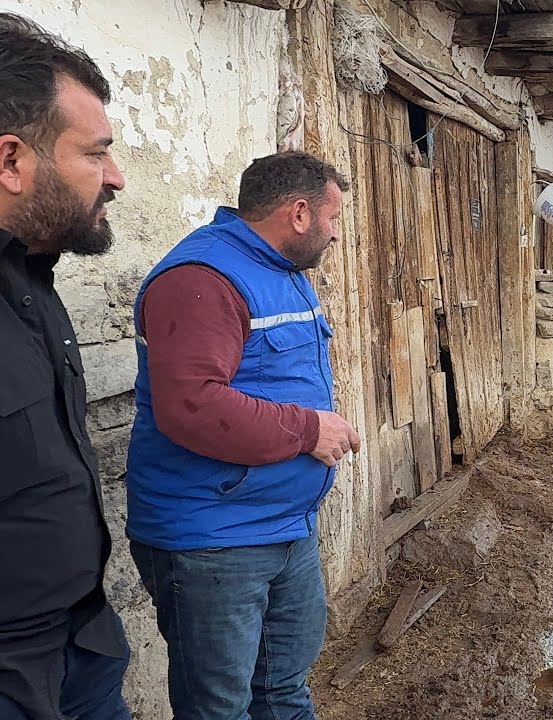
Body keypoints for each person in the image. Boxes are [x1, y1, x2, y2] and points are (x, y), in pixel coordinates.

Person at [126, 151, 362, 720]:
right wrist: (309, 430)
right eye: (333, 218)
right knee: (220, 709)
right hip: (213, 538)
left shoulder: (279, 274)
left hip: (284, 526)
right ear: (299, 213)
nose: (335, 234)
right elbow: (193, 407)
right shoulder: (202, 279)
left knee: (283, 691)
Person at [0, 12, 132, 720]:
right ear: (11, 161)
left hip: (84, 648)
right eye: (95, 154)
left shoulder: (33, 284)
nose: (115, 177)